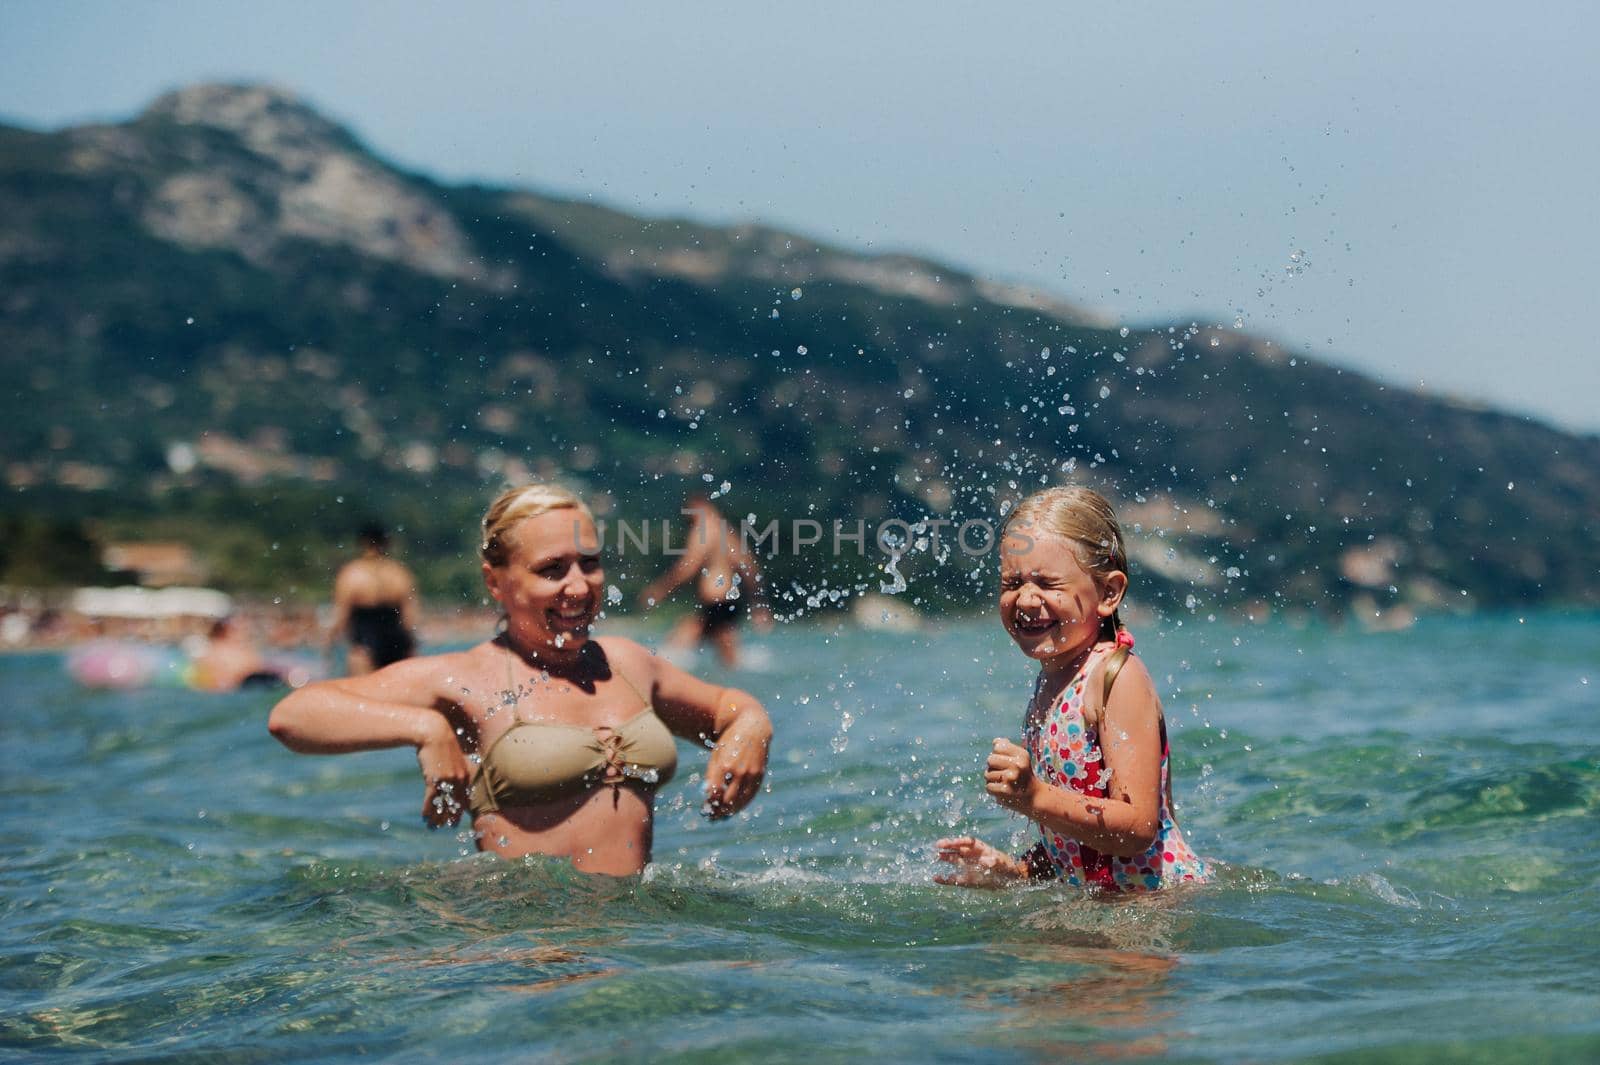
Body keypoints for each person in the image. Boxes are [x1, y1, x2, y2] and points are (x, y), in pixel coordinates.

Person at [269, 483, 772, 875]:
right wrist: (425, 729)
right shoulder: (465, 676)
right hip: (521, 957)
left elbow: (731, 707)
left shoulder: (627, 663)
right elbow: (293, 716)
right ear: (496, 582)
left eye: (590, 564)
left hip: (631, 953)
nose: (579, 586)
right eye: (552, 570)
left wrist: (752, 726)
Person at [935, 485, 1208, 892]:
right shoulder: (1051, 682)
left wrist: (1035, 798)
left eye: (1047, 584)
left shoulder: (1116, 678)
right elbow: (1080, 835)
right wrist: (1014, 870)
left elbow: (1136, 828)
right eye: (1012, 583)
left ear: (1108, 592)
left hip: (1154, 905)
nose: (1026, 599)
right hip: (1106, 905)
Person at [638, 495, 772, 668]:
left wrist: (659, 590)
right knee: (721, 651)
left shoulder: (704, 529)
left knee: (681, 643)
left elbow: (687, 567)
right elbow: (749, 567)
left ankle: (652, 670)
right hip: (728, 601)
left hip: (716, 601)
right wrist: (759, 603)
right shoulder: (725, 531)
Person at [327, 523, 418, 675]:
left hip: (366, 641)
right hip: (397, 640)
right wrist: (410, 644)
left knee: (363, 693)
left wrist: (329, 642)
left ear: (362, 543)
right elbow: (410, 618)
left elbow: (341, 615)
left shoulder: (352, 573)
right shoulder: (399, 573)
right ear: (387, 543)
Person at [190, 616, 286, 691]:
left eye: (245, 629)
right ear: (224, 631)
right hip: (235, 687)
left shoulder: (247, 650)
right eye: (239, 629)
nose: (244, 632)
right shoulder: (214, 651)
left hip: (248, 684)